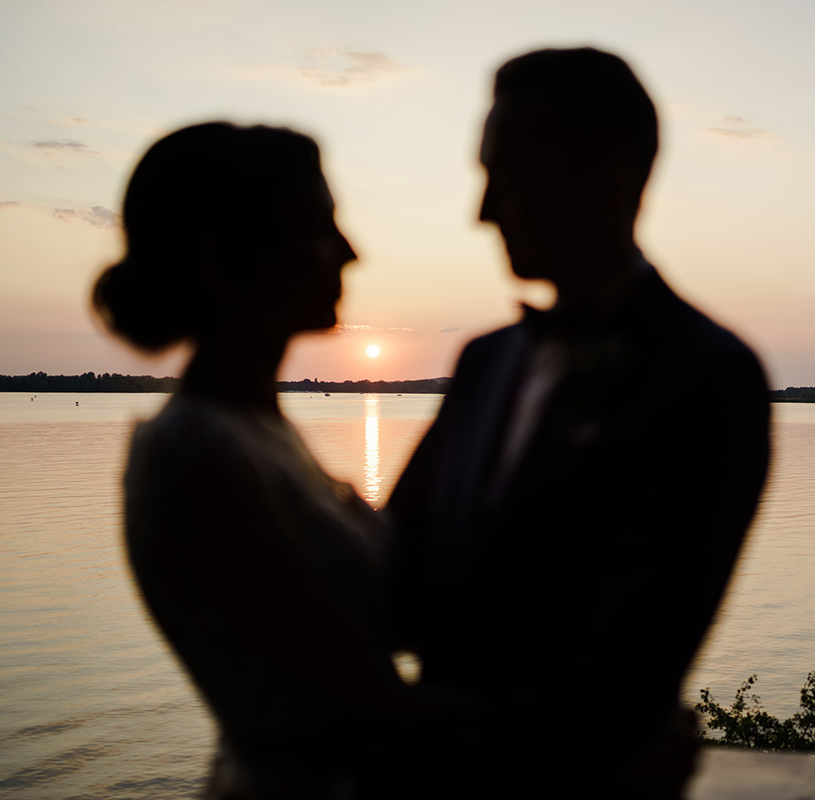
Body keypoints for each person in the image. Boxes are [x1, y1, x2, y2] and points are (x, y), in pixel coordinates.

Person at [386, 48, 772, 797]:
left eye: (508, 175)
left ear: (609, 173)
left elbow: (620, 688)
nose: (483, 211)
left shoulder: (708, 378)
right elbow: (396, 589)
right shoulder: (482, 362)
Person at [94, 122, 480, 798]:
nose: (351, 253)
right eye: (320, 228)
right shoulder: (199, 455)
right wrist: (598, 740)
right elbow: (359, 710)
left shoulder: (257, 429)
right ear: (230, 256)